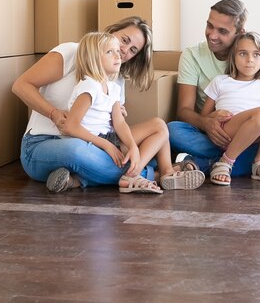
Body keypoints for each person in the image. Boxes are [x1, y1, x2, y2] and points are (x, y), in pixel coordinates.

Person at [12, 16, 203, 193]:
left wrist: (131, 146)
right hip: (45, 144)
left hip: (96, 142)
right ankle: (154, 174)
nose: (124, 51)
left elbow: (114, 126)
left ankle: (82, 179)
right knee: (77, 150)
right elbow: (21, 85)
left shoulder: (115, 80)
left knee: (154, 131)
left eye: (133, 50)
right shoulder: (72, 52)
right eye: (125, 40)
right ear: (112, 31)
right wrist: (53, 113)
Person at [168, 0, 260, 177]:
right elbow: (183, 111)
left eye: (222, 31)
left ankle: (205, 164)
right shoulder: (193, 56)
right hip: (217, 135)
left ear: (239, 32)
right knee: (173, 130)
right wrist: (206, 123)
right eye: (209, 26)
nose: (212, 35)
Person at [58, 31, 205, 194]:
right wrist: (107, 145)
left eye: (116, 50)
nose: (118, 55)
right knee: (159, 127)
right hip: (95, 142)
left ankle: (166, 172)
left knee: (160, 130)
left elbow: (119, 122)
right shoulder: (89, 87)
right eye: (109, 52)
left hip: (109, 138)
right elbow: (70, 126)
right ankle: (141, 174)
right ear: (93, 58)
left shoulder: (112, 87)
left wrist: (133, 147)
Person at [203, 31, 260, 185]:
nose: (250, 60)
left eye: (256, 54)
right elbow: (203, 117)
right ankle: (225, 162)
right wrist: (213, 116)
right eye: (243, 54)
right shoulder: (221, 81)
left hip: (259, 133)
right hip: (228, 130)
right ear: (233, 57)